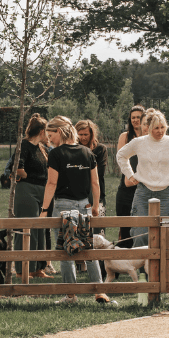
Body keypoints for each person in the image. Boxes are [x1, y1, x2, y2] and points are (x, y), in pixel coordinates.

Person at [41, 116, 111, 304]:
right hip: (84, 205)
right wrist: (95, 206)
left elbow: (51, 183)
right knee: (88, 249)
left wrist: (44, 209)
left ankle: (70, 295)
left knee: (66, 251)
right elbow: (95, 183)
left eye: (51, 136)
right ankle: (99, 291)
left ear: (59, 131)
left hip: (63, 205)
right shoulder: (87, 152)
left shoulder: (56, 154)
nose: (49, 140)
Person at [116, 109, 169, 246]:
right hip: (143, 193)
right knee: (140, 234)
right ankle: (143, 261)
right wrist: (130, 174)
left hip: (167, 194)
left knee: (165, 236)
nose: (160, 131)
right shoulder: (139, 142)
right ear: (148, 127)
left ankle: (164, 261)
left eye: (163, 127)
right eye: (156, 128)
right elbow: (121, 155)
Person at [12, 115, 51, 278]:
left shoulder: (42, 148)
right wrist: (29, 177)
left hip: (42, 191)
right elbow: (17, 168)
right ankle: (22, 270)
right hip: (26, 190)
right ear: (42, 131)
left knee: (40, 229)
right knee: (26, 228)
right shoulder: (24, 145)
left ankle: (37, 268)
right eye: (47, 131)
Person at [112, 106, 147, 248]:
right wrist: (131, 177)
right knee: (125, 226)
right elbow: (121, 159)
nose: (136, 120)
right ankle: (124, 255)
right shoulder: (125, 137)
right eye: (133, 117)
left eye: (139, 117)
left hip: (145, 186)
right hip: (127, 185)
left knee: (141, 227)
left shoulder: (149, 137)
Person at [75, 119, 108, 214]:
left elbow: (100, 172)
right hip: (77, 195)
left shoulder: (100, 149)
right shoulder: (73, 150)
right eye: (80, 134)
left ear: (91, 134)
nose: (83, 138)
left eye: (86, 134)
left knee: (98, 221)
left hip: (96, 194)